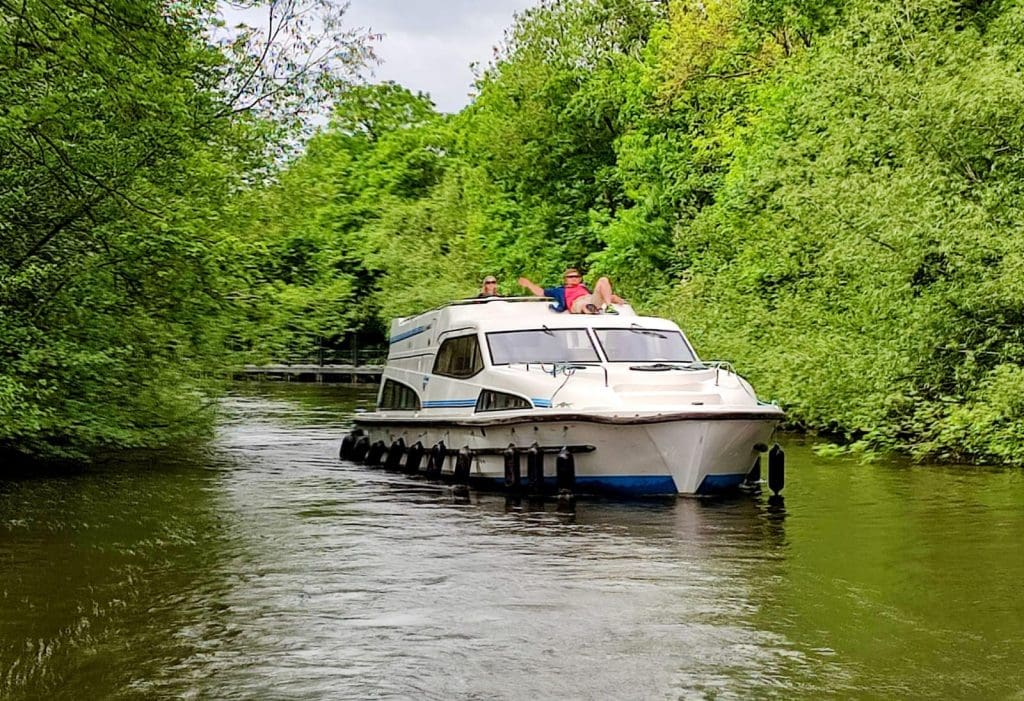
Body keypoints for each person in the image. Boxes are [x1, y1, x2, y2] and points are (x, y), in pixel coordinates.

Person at [517, 268, 624, 313]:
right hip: (576, 303)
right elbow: (541, 292)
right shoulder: (559, 290)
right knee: (584, 304)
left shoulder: (584, 288)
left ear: (580, 278)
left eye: (576, 276)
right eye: (571, 276)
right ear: (565, 279)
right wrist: (528, 284)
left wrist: (611, 298)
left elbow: (597, 294)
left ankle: (608, 306)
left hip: (590, 299)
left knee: (603, 280)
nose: (574, 278)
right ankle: (589, 309)